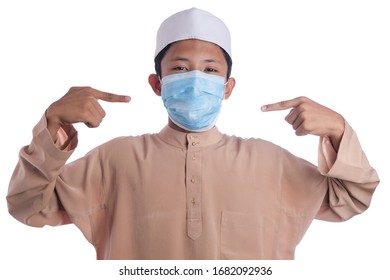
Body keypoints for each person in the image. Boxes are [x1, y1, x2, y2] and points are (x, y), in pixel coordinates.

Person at [7, 7, 379, 260]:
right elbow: (28, 206)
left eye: (211, 70)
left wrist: (337, 131)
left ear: (229, 87)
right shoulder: (115, 160)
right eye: (181, 68)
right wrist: (53, 123)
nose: (196, 79)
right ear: (157, 83)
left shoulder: (269, 162)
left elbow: (352, 199)